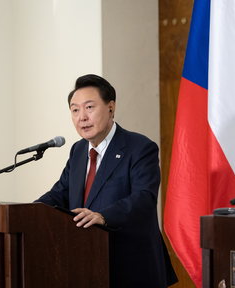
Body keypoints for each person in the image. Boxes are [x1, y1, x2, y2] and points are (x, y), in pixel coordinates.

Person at [36, 74, 178, 288]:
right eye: (75, 110)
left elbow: (144, 198)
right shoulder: (78, 150)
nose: (81, 117)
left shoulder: (139, 148)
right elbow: (60, 193)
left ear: (111, 107)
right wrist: (29, 210)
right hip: (89, 265)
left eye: (89, 108)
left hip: (132, 268)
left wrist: (103, 216)